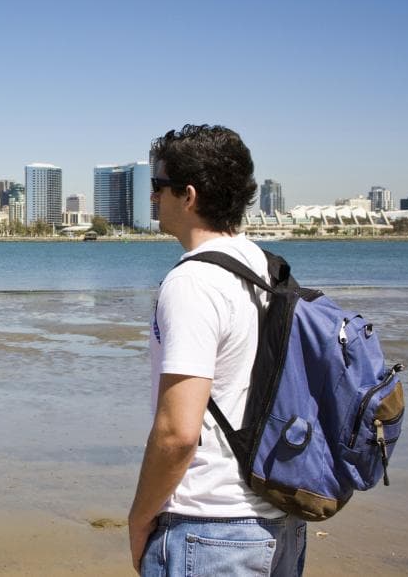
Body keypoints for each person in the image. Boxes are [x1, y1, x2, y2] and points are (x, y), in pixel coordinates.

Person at [127, 125, 307, 576]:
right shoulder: (266, 268)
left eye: (158, 186)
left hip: (211, 529)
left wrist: (138, 517)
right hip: (279, 520)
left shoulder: (192, 283)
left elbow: (178, 433)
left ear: (187, 196)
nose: (152, 198)